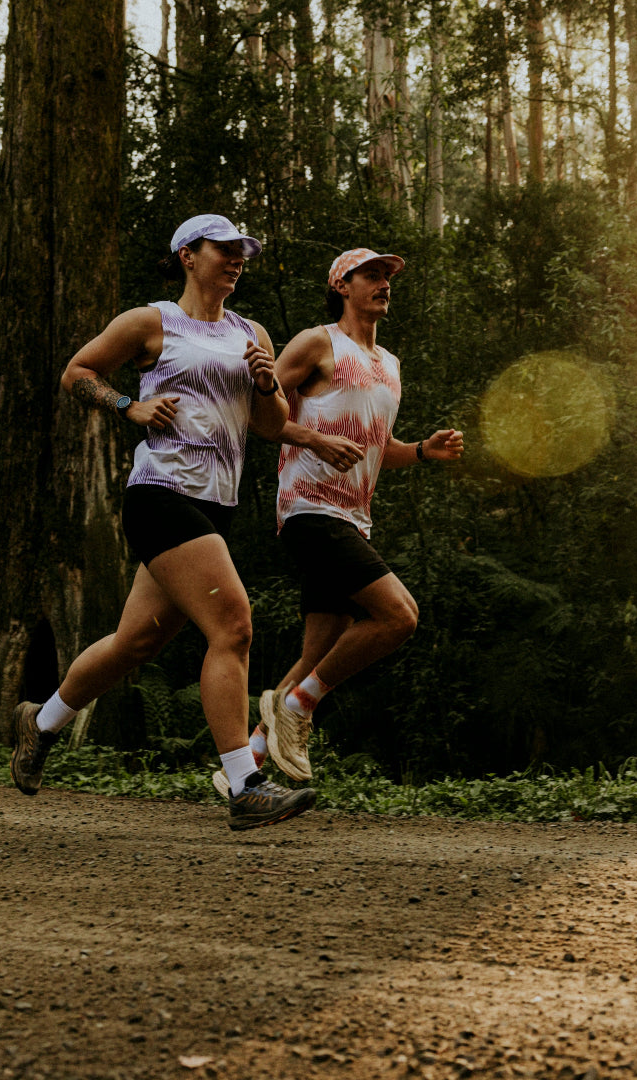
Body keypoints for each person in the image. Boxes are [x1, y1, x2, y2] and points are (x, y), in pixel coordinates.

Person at [9, 213, 317, 831]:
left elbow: (265, 424)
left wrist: (265, 385)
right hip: (160, 492)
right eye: (223, 249)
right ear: (187, 255)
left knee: (136, 643)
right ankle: (243, 784)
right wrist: (130, 404)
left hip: (215, 503)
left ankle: (39, 724)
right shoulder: (151, 322)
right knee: (233, 625)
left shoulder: (250, 332)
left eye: (242, 253)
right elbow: (78, 372)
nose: (235, 260)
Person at [211, 247, 464, 795]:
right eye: (370, 275)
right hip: (308, 509)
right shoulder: (317, 342)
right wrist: (313, 440)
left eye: (387, 276)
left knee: (315, 653)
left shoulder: (390, 364)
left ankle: (242, 773)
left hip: (353, 517)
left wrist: (421, 451)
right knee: (400, 617)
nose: (383, 283)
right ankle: (300, 707)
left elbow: (375, 446)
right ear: (341, 286)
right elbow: (259, 414)